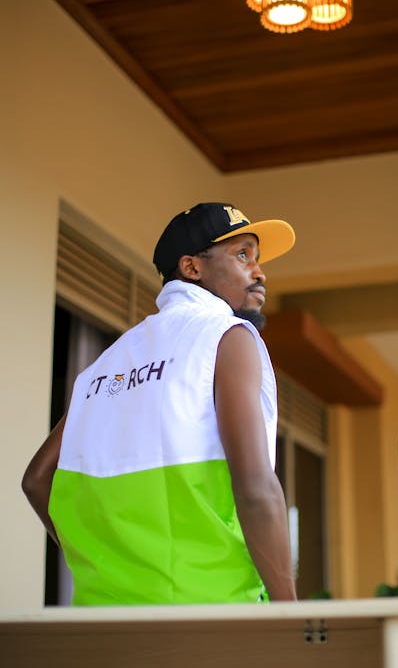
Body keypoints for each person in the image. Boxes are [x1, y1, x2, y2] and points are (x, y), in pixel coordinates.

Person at [22, 202, 297, 605]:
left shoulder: (106, 364)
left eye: (256, 259)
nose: (259, 272)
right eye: (242, 255)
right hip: (210, 614)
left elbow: (36, 480)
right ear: (192, 267)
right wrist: (290, 614)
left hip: (104, 621)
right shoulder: (226, 336)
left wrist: (102, 559)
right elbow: (256, 486)